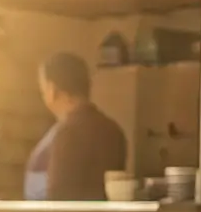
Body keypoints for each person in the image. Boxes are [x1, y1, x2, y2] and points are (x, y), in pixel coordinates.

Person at [25, 52, 126, 201]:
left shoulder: (68, 133)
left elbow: (57, 195)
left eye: (43, 90)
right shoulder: (113, 130)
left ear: (52, 90)